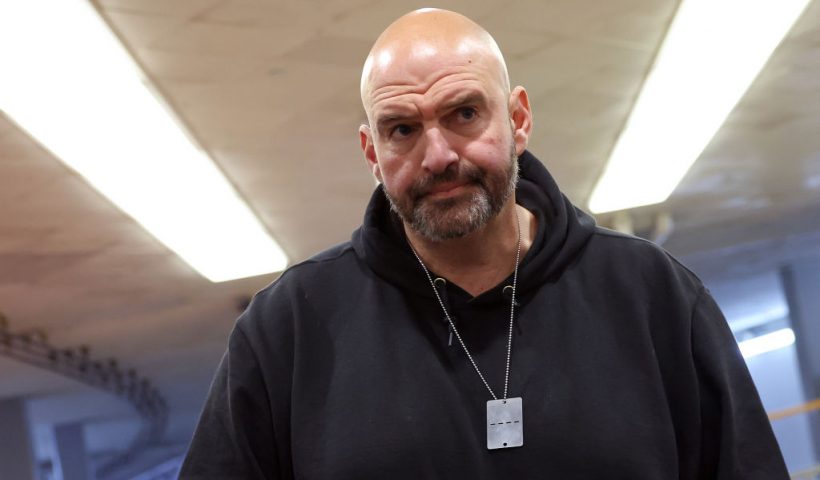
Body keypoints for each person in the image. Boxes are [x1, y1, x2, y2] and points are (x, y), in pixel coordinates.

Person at [180, 8, 789, 479]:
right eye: (402, 129)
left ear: (517, 119)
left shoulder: (654, 298)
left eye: (464, 114)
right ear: (372, 152)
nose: (438, 155)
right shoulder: (287, 331)